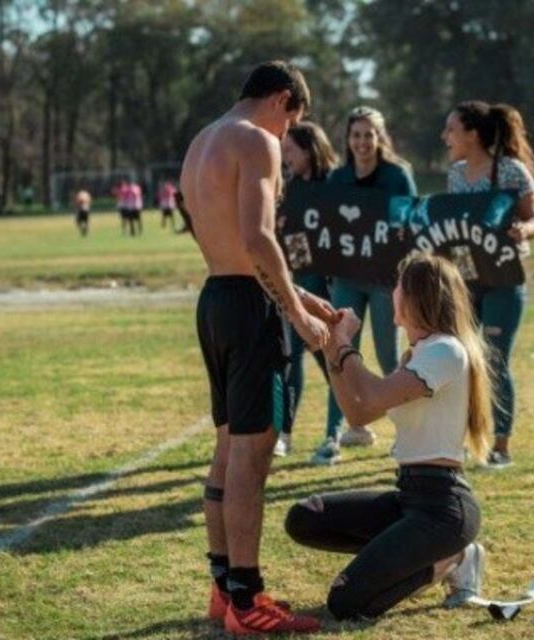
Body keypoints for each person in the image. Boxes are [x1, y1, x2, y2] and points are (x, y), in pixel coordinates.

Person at [179, 61, 338, 634]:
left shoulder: (203, 140)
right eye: (291, 120)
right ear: (281, 99)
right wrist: (293, 312)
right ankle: (247, 600)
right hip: (248, 309)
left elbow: (230, 244)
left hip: (216, 298)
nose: (286, 135)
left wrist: (297, 294)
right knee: (253, 453)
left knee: (227, 448)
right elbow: (258, 236)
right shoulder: (257, 141)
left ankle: (224, 590)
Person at [285, 253, 492, 619]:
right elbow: (358, 412)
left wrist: (345, 343)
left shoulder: (445, 350)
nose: (391, 291)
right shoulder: (418, 353)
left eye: (398, 285)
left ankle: (451, 559)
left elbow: (372, 396)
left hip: (443, 509)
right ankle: (408, 557)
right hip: (409, 498)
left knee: (346, 603)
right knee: (304, 517)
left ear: (417, 296)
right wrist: (334, 344)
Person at [310, 106, 418, 466]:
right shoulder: (338, 179)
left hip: (386, 281)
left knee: (391, 358)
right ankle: (332, 434)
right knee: (338, 353)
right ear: (348, 139)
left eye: (369, 134)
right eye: (356, 135)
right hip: (347, 278)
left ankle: (407, 435)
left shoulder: (398, 176)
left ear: (380, 137)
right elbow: (325, 225)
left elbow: (411, 222)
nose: (362, 142)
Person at [442, 101, 534, 469]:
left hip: (504, 279)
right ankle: (466, 439)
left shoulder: (511, 172)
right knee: (463, 362)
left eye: (451, 129)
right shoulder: (454, 176)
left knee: (496, 361)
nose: (445, 137)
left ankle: (500, 447)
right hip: (467, 281)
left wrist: (523, 229)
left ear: (472, 134)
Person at [274, 121, 338, 457]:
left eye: (290, 150)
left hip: (328, 288)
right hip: (298, 286)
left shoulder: (336, 183)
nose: (285, 158)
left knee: (331, 361)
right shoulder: (290, 186)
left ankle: (344, 421)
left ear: (310, 148)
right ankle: (284, 433)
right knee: (291, 358)